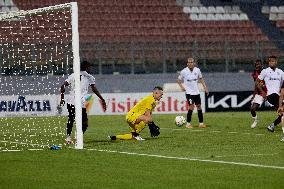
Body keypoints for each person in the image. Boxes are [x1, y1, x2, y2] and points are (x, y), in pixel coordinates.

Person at [60, 60, 107, 144]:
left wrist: (62, 98)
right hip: (80, 102)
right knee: (84, 123)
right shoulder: (89, 77)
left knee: (71, 119)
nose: (90, 68)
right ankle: (78, 138)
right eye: (89, 67)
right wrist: (102, 99)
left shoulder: (73, 75)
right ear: (87, 67)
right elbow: (94, 89)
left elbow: (62, 86)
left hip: (70, 101)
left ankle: (68, 138)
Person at [176, 57, 209, 129]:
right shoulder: (184, 71)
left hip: (196, 92)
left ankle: (201, 123)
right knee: (191, 107)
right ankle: (188, 124)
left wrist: (205, 88)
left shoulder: (197, 70)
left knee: (199, 106)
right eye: (189, 62)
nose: (190, 63)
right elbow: (178, 80)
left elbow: (201, 79)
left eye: (192, 62)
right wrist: (181, 87)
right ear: (187, 63)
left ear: (194, 63)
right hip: (189, 93)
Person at [256, 56, 284, 132]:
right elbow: (257, 82)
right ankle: (272, 126)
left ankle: (271, 126)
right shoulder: (265, 71)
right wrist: (263, 92)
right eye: (269, 61)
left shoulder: (281, 72)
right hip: (271, 95)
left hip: (278, 96)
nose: (271, 62)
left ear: (276, 62)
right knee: (282, 111)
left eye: (272, 61)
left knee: (282, 113)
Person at [250, 59, 267, 128]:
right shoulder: (254, 73)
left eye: (258, 64)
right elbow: (256, 84)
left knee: (278, 107)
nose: (257, 66)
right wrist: (254, 95)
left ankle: (280, 120)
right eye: (256, 65)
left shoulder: (266, 72)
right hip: (259, 94)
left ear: (261, 65)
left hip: (269, 92)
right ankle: (256, 120)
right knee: (252, 109)